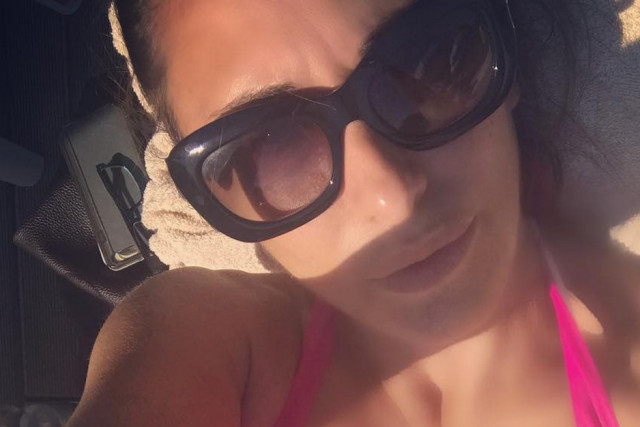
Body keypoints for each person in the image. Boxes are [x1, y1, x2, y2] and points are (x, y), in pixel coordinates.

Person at [68, 0, 640, 425]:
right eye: (270, 147)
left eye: (429, 63)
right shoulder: (208, 345)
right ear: (206, 196)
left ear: (503, 50)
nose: (393, 196)